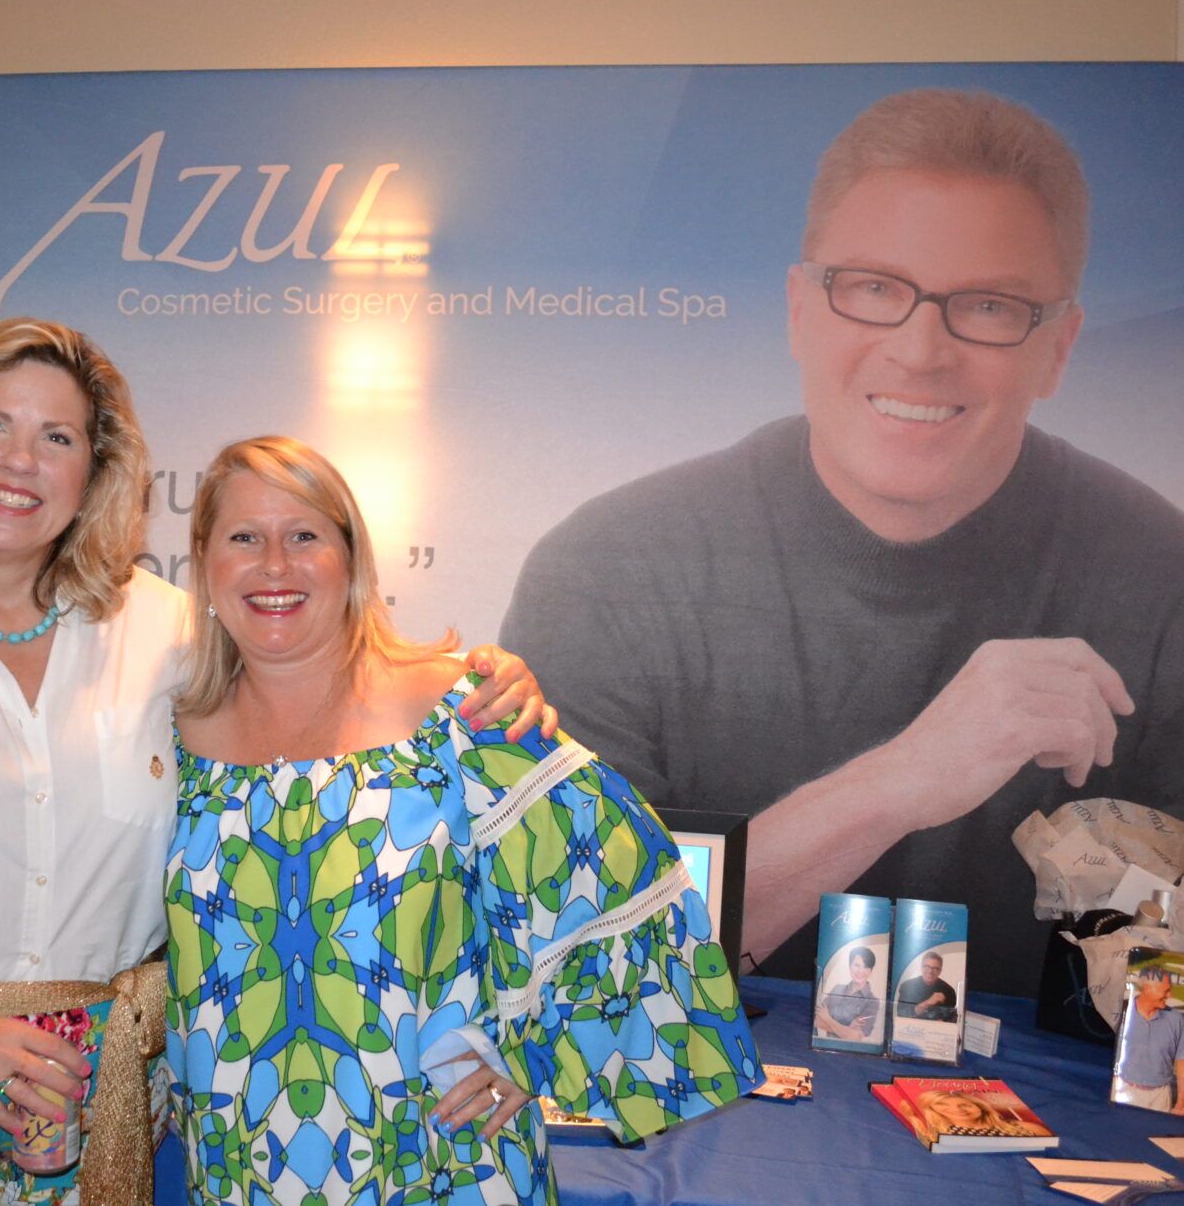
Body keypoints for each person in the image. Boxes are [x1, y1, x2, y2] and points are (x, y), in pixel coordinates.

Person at [0, 319, 550, 1206]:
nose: (20, 461)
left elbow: (316, 681)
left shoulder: (168, 632)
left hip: (95, 1098)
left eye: (56, 437)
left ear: (96, 473)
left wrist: (468, 684)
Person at [500, 86, 1184, 997]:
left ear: (1058, 348)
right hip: (670, 1120)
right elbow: (566, 969)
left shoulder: (1160, 579)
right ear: (799, 310)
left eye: (988, 305)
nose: (920, 350)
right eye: (873, 289)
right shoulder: (607, 572)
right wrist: (903, 780)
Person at [164, 436, 761, 1206]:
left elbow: (623, 879)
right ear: (205, 562)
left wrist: (534, 1055)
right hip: (237, 1161)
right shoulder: (171, 740)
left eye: (304, 535)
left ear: (351, 562)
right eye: (245, 537)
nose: (275, 564)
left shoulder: (461, 713)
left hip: (437, 1163)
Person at [1114, 966, 1184, 1113]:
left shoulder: (1177, 1020)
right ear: (1146, 989)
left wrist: (1180, 1104)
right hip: (1124, 1091)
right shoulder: (1123, 1013)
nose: (1170, 995)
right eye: (1165, 990)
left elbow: (1182, 1064)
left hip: (1161, 1097)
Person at [904, 1089, 1048, 1140]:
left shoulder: (1022, 1127)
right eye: (942, 1104)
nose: (958, 1109)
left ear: (981, 1108)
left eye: (965, 1104)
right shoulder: (937, 1132)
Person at [815, 945, 880, 1040]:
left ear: (870, 971)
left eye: (866, 967)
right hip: (826, 1044)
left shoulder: (873, 1002)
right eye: (857, 965)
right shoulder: (837, 989)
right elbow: (816, 1020)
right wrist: (847, 1029)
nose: (860, 971)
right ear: (850, 966)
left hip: (851, 1051)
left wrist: (827, 1019)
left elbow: (855, 1037)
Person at [895, 952, 958, 1022]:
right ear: (921, 967)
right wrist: (928, 1002)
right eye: (926, 966)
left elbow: (952, 1019)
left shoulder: (949, 991)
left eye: (935, 968)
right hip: (911, 1029)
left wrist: (944, 1022)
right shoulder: (907, 986)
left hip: (936, 1031)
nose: (930, 971)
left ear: (940, 971)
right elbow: (902, 1013)